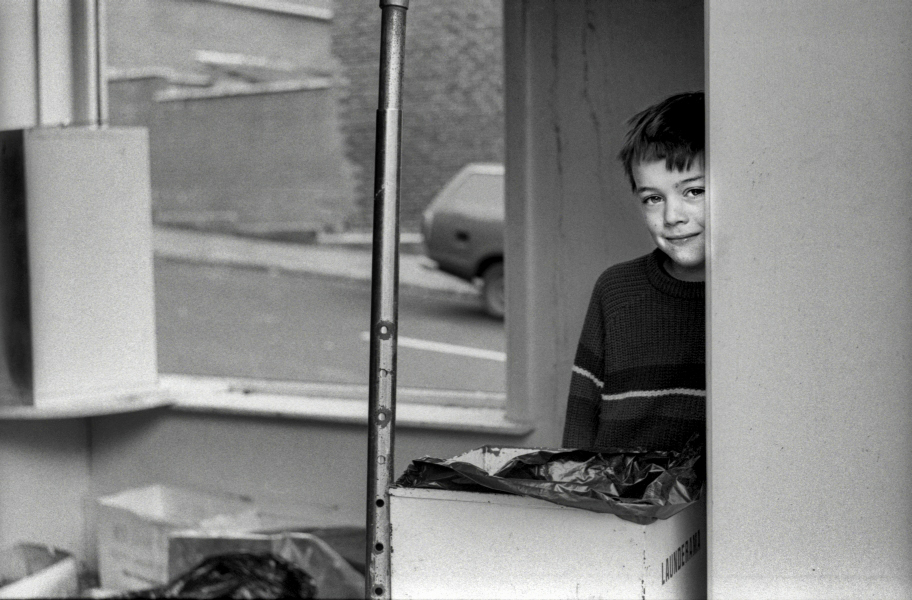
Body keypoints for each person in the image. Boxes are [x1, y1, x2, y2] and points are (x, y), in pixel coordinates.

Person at [562, 91, 705, 452]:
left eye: (694, 191)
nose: (673, 216)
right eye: (653, 198)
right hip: (616, 503)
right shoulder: (616, 290)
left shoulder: (757, 295)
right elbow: (580, 424)